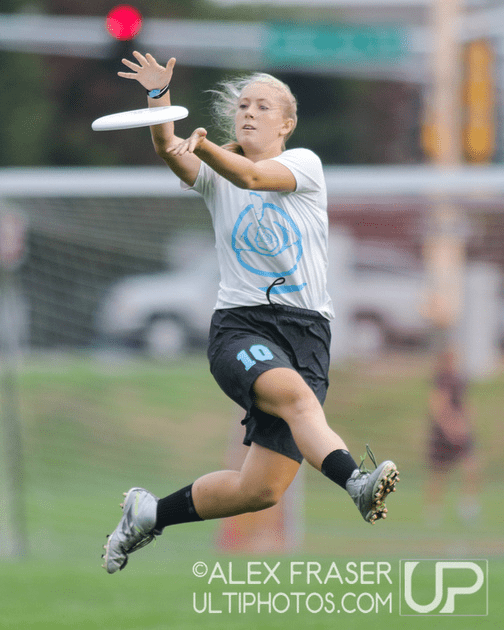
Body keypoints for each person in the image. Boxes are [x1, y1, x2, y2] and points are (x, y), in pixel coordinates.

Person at [102, 52, 399, 574]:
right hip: (241, 328)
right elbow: (169, 147)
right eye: (242, 105)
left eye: (263, 106)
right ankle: (356, 482)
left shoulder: (303, 165)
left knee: (260, 490)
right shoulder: (215, 174)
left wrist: (204, 146)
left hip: (308, 334)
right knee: (298, 399)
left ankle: (148, 514)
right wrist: (158, 97)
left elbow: (254, 177)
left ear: (286, 124)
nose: (249, 112)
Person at [425, 347, 481, 526]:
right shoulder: (441, 379)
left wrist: (467, 423)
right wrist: (449, 427)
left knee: (471, 466)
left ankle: (467, 506)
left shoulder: (461, 379)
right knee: (439, 472)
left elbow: (465, 403)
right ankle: (433, 510)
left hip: (461, 431)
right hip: (444, 433)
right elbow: (438, 405)